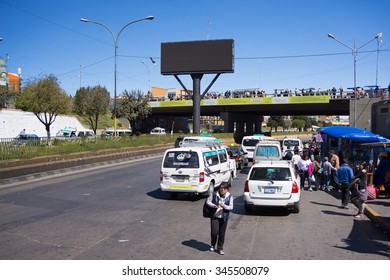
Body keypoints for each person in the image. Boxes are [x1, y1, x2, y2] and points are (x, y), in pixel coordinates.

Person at [206, 182, 234, 255]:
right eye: (221, 188)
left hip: (224, 218)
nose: (222, 190)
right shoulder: (214, 194)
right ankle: (212, 244)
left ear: (227, 190)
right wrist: (213, 205)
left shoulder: (230, 196)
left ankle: (220, 248)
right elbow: (208, 201)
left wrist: (224, 206)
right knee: (214, 232)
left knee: (222, 234)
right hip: (215, 216)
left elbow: (231, 207)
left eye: (224, 188)